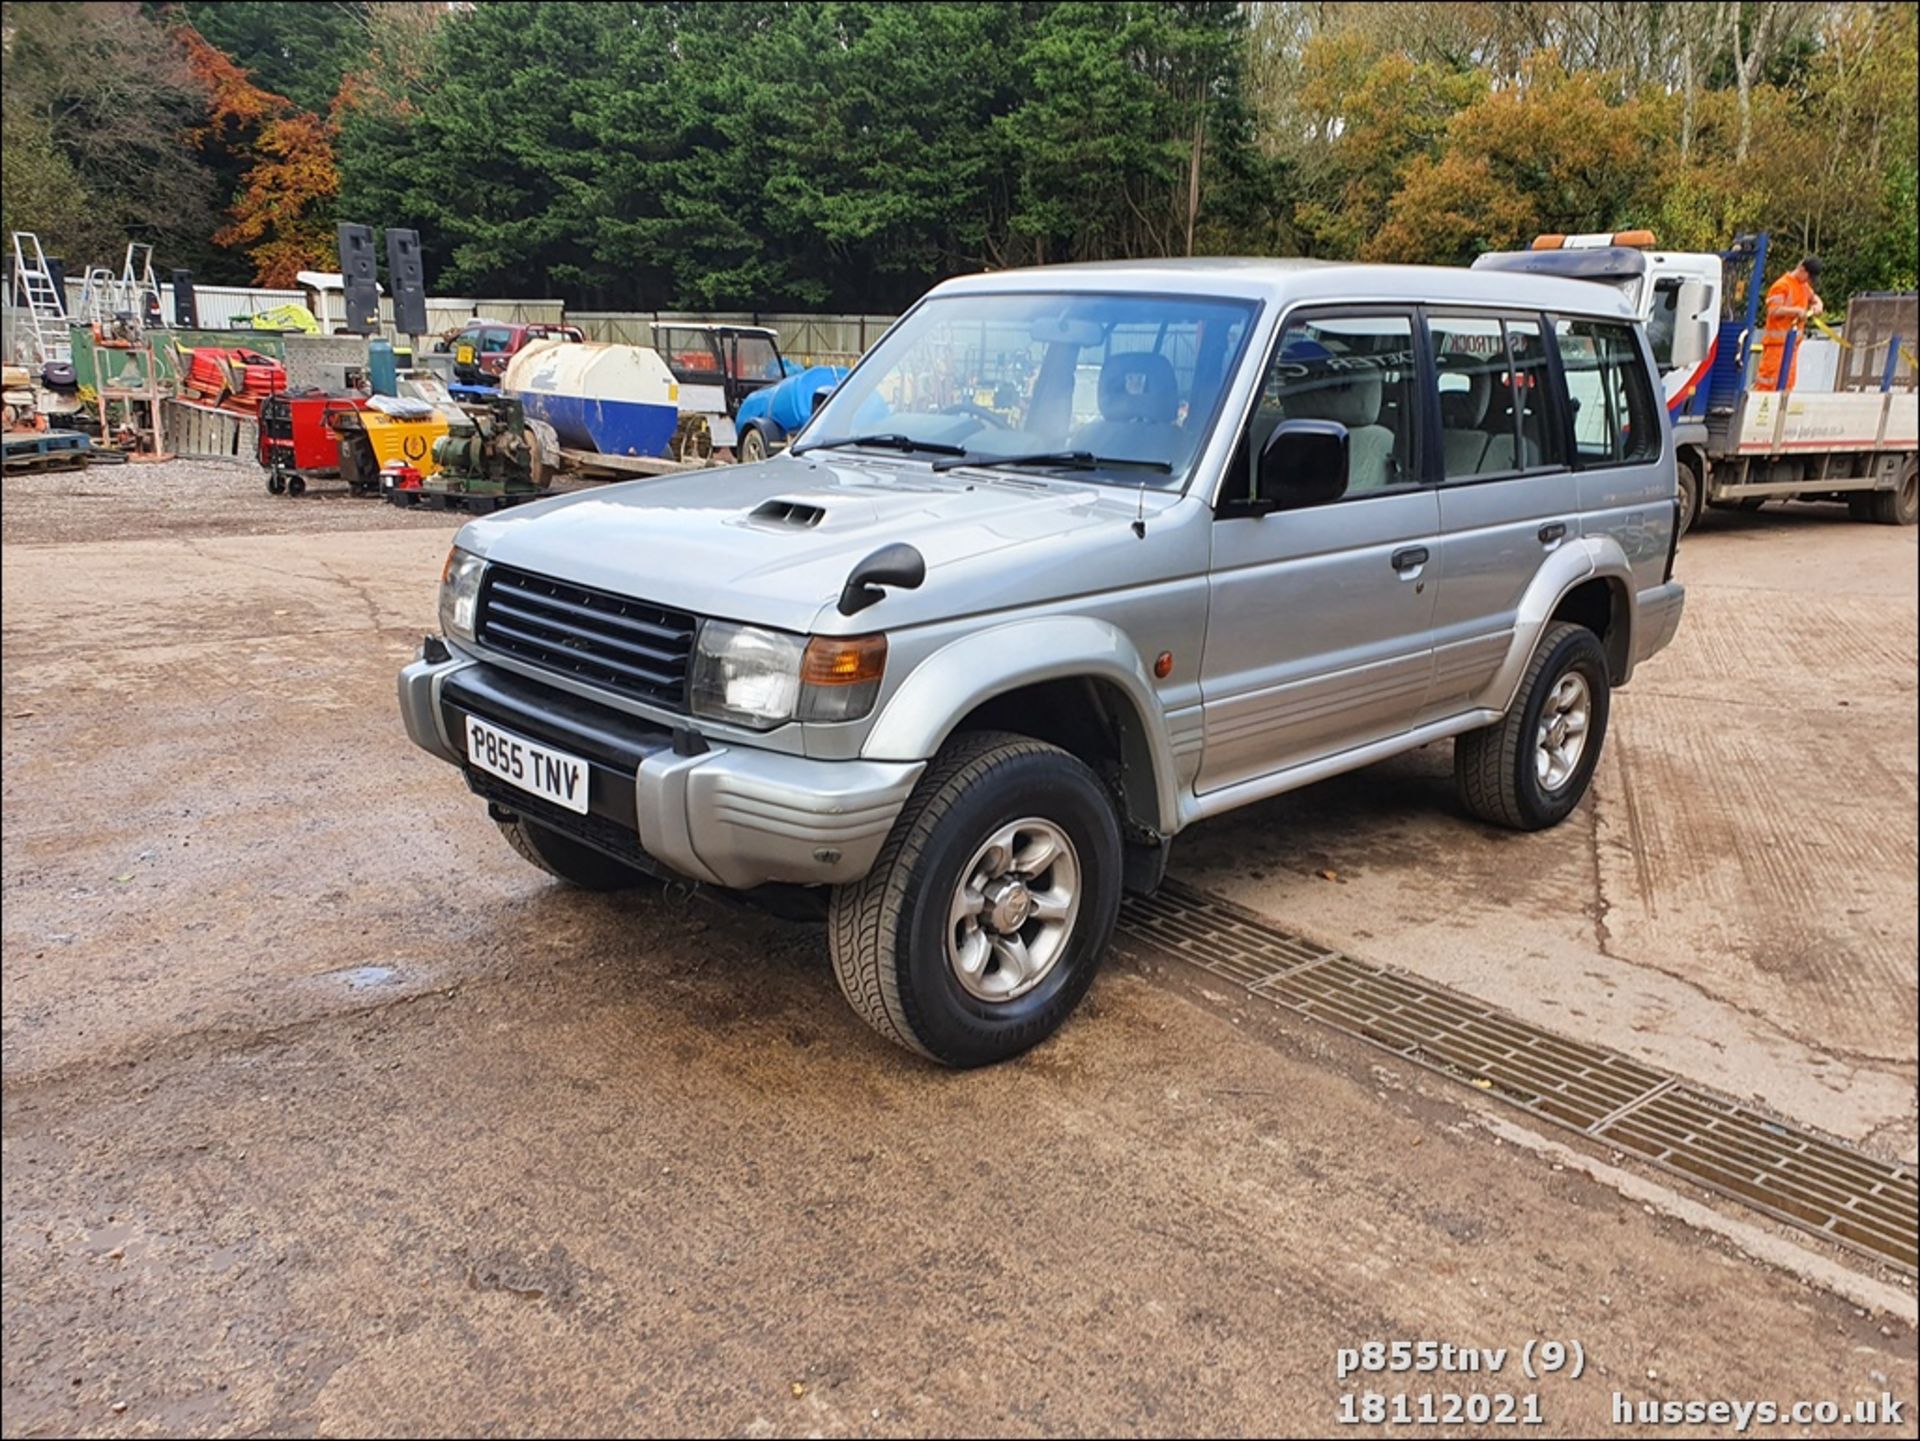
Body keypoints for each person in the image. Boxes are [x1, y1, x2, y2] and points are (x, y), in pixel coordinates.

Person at [1755, 255, 1824, 392]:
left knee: (1787, 383)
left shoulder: (1803, 286)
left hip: (1792, 346)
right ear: (1802, 269)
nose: (1808, 281)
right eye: (1808, 277)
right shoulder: (1782, 285)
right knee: (1769, 382)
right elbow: (1773, 311)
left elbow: (1814, 297)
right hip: (1776, 345)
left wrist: (1818, 305)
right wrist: (1796, 311)